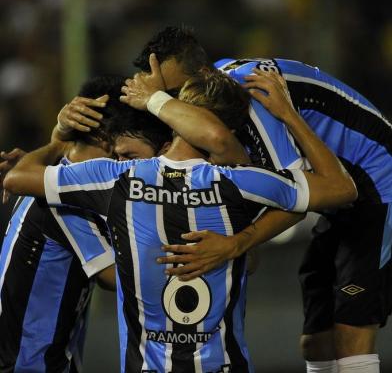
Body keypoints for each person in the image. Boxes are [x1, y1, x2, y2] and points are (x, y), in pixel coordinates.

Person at [3, 70, 356, 373]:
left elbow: (17, 178)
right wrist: (290, 115)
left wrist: (58, 140)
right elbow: (341, 188)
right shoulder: (241, 183)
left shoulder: (117, 180)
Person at [123, 26, 392, 373]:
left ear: (203, 76)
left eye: (175, 92)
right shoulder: (216, 93)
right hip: (340, 202)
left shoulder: (251, 92)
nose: (177, 104)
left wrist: (237, 244)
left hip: (378, 186)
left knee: (350, 328)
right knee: (316, 339)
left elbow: (296, 198)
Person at [0, 75, 139, 373]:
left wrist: (56, 143)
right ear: (105, 137)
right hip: (30, 365)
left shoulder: (50, 179)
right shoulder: (64, 201)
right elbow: (116, 278)